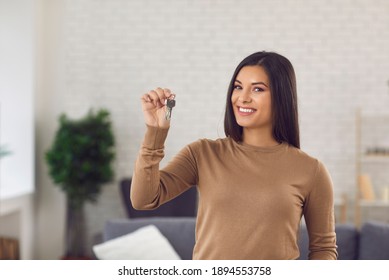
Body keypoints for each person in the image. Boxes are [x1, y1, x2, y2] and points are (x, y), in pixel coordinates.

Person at [130, 51, 338, 260]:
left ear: (282, 96)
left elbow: (324, 249)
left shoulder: (311, 170)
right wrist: (155, 132)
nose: (243, 98)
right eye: (238, 87)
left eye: (258, 89)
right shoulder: (202, 154)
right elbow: (144, 199)